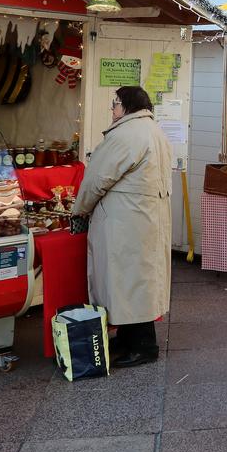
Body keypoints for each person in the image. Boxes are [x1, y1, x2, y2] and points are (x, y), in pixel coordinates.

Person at [72, 86, 174, 368]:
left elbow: (96, 179)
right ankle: (130, 338)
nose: (112, 110)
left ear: (126, 105)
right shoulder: (154, 131)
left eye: (115, 104)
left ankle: (143, 346)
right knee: (137, 281)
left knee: (127, 281)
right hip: (145, 218)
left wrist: (79, 209)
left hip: (125, 221)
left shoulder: (125, 134)